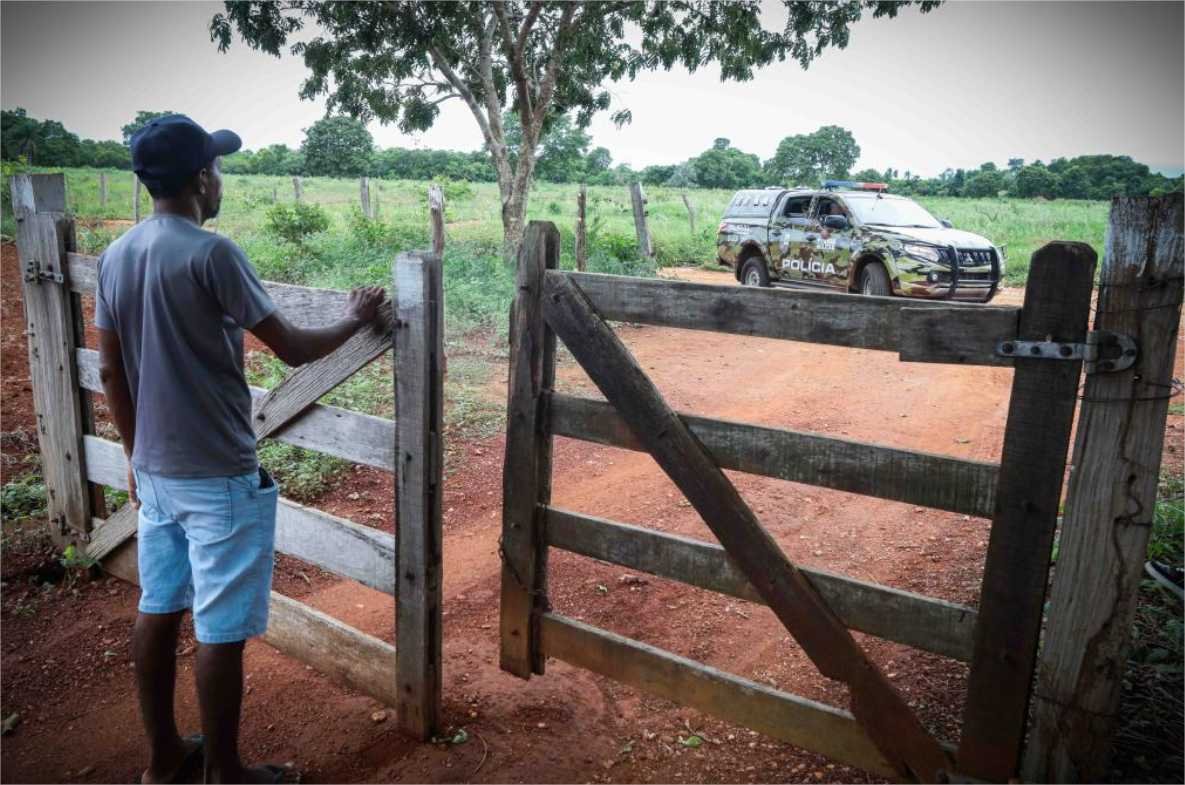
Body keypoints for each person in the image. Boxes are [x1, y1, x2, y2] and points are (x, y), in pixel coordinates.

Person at [97, 114, 387, 784]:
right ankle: (226, 771)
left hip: (157, 471)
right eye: (216, 168)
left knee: (158, 604)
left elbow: (112, 371)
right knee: (221, 627)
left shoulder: (117, 256)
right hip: (219, 472)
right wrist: (355, 317)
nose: (218, 178)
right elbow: (289, 346)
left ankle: (164, 759)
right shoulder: (211, 253)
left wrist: (135, 457)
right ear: (201, 177)